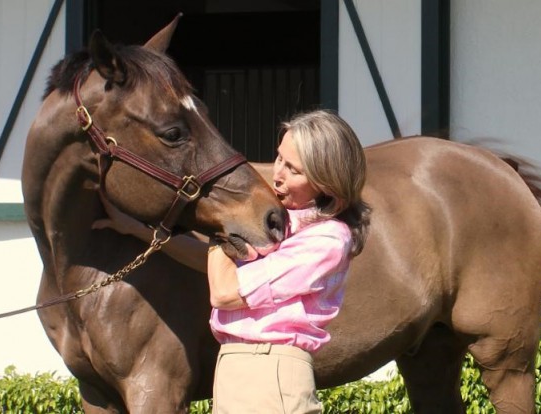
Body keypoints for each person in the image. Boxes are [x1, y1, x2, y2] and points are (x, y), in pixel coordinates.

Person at [94, 109, 371, 413]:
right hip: (235, 368)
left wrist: (221, 218)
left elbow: (225, 292)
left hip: (270, 373)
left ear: (327, 184)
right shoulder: (286, 222)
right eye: (279, 158)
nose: (277, 174)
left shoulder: (327, 240)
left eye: (294, 170)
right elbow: (215, 264)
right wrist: (139, 230)